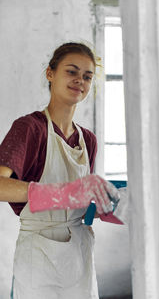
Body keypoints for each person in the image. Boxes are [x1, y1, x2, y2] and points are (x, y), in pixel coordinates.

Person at [0, 42, 120, 299]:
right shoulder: (30, 128)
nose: (80, 81)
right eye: (72, 72)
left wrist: (108, 206)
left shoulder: (88, 139)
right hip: (39, 257)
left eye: (87, 76)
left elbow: (80, 204)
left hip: (80, 255)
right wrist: (61, 193)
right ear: (50, 74)